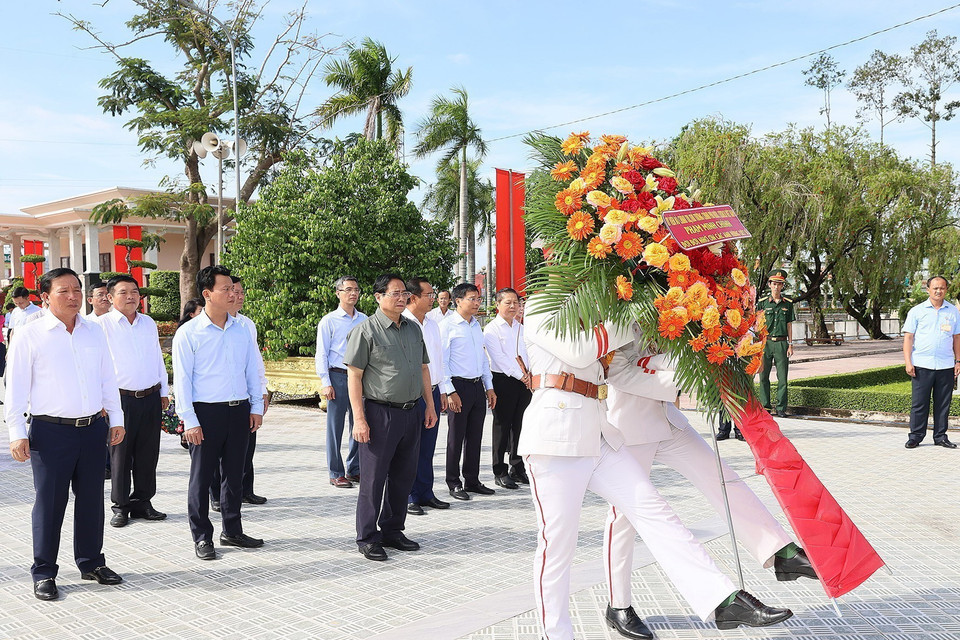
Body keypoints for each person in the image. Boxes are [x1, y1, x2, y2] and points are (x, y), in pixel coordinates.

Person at [518, 295, 792, 640]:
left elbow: (629, 360)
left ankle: (722, 600)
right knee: (558, 546)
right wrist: (629, 310)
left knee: (655, 512)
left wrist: (705, 354)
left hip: (598, 432)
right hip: (554, 439)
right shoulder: (544, 302)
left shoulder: (597, 303)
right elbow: (582, 351)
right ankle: (556, 634)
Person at [602, 336, 814, 638]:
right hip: (630, 425)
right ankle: (618, 605)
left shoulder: (669, 292)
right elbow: (618, 370)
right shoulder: (618, 302)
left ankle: (781, 553)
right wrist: (686, 375)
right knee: (624, 518)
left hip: (668, 420)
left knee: (723, 479)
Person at [5, 268, 126, 601]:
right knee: (50, 504)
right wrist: (16, 432)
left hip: (92, 430)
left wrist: (116, 418)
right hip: (50, 433)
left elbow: (106, 378)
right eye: (64, 291)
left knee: (91, 501)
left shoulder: (93, 332)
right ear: (44, 297)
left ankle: (91, 562)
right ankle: (44, 572)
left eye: (76, 290)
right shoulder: (30, 335)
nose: (73, 296)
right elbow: (14, 388)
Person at [173, 265, 265, 561]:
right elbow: (183, 380)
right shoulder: (189, 333)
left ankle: (232, 530)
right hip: (205, 414)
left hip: (239, 412)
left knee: (234, 475)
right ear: (207, 294)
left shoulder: (243, 328)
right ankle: (202, 537)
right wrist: (190, 420)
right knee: (201, 479)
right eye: (225, 289)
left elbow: (252, 370)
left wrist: (255, 408)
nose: (232, 293)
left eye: (233, 288)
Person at [344, 273, 437, 561]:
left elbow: (423, 369)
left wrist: (430, 406)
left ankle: (393, 530)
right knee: (373, 479)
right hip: (379, 413)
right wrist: (359, 419)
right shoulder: (366, 331)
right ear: (378, 297)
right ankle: (368, 537)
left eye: (404, 294)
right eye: (394, 293)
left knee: (403, 477)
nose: (401, 298)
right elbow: (354, 376)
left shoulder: (412, 329)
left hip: (411, 412)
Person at [100, 275, 170, 528]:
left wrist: (164, 390)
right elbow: (96, 367)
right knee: (120, 455)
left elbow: (157, 357)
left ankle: (143, 501)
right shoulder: (101, 325)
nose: (131, 296)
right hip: (120, 400)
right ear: (109, 297)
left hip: (150, 396)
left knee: (148, 453)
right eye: (123, 292)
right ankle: (121, 506)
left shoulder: (148, 322)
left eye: (135, 291)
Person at [210, 277, 269, 510]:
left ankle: (246, 489)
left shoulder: (246, 324)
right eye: (233, 290)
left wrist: (261, 391)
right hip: (217, 402)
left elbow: (255, 363)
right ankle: (216, 495)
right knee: (216, 455)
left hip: (244, 397)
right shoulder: (206, 326)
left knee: (246, 446)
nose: (238, 295)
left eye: (241, 291)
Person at [440, 283, 497, 500]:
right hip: (458, 386)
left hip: (476, 386)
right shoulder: (447, 326)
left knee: (475, 436)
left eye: (478, 299)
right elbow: (442, 361)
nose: (476, 303)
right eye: (472, 298)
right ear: (458, 301)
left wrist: (489, 386)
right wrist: (450, 391)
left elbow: (483, 359)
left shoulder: (475, 326)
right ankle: (453, 482)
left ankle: (472, 480)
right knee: (456, 437)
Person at [402, 277, 450, 516]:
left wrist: (442, 390)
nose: (434, 299)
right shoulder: (403, 323)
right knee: (411, 446)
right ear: (413, 297)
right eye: (429, 295)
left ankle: (426, 492)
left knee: (428, 446)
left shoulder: (432, 324)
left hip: (432, 391)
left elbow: (438, 361)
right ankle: (409, 496)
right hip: (411, 393)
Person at [316, 276, 367, 488]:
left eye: (356, 289)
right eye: (348, 290)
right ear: (338, 293)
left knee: (359, 422)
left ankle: (354, 469)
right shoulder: (328, 320)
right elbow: (322, 354)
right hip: (337, 376)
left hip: (361, 378)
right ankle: (336, 472)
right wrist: (325, 382)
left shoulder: (365, 319)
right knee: (335, 428)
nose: (353, 293)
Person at [903, 275, 960, 449]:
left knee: (943, 403)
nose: (938, 291)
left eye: (942, 288)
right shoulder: (917, 311)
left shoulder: (953, 311)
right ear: (928, 289)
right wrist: (908, 362)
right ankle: (915, 436)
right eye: (935, 288)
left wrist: (958, 360)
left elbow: (957, 337)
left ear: (946, 290)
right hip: (922, 364)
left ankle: (940, 436)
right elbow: (908, 338)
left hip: (946, 365)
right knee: (919, 403)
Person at [483, 287, 532, 489]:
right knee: (502, 426)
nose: (513, 306)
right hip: (504, 380)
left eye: (516, 303)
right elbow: (500, 359)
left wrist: (530, 376)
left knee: (520, 425)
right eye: (508, 302)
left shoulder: (520, 328)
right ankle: (499, 470)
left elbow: (528, 354)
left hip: (524, 382)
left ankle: (517, 467)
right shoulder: (492, 329)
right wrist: (522, 376)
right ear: (497, 305)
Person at [756, 269, 795, 417]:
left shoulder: (788, 304)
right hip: (766, 343)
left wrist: (790, 344)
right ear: (770, 285)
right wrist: (757, 345)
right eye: (774, 284)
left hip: (781, 343)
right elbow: (758, 325)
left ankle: (780, 408)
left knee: (782, 377)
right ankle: (765, 408)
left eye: (779, 284)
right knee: (763, 376)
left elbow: (789, 325)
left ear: (782, 286)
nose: (777, 287)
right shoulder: (762, 304)